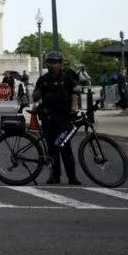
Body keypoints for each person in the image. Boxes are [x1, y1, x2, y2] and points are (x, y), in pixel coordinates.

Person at [32, 51, 81, 185]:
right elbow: (35, 97)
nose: (53, 65)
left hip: (64, 117)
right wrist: (39, 91)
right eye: (51, 63)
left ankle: (72, 177)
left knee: (65, 147)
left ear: (60, 64)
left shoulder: (67, 78)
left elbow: (74, 94)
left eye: (56, 63)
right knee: (52, 148)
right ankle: (55, 175)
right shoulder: (43, 79)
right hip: (48, 117)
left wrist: (73, 109)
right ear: (47, 64)